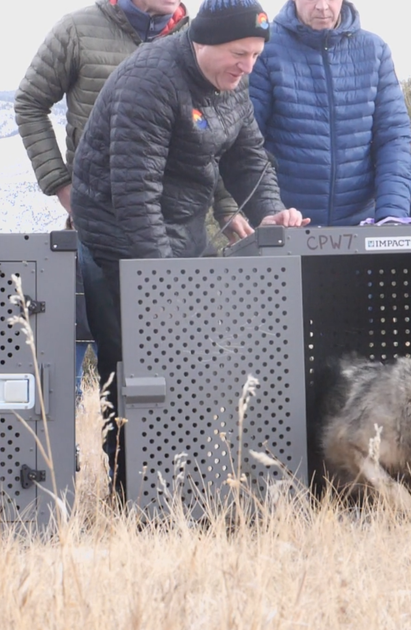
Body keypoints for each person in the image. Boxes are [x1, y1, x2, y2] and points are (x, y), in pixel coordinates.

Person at [70, 0, 309, 490]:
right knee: (134, 363)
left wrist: (271, 209)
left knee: (201, 358)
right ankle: (132, 488)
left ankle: (198, 483)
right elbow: (135, 194)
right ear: (203, 42)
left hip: (184, 226)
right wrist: (164, 288)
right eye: (239, 54)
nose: (248, 67)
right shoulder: (149, 82)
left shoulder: (231, 83)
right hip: (117, 236)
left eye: (256, 55)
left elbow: (249, 156)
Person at [15, 0, 247, 412]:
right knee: (120, 351)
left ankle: (183, 449)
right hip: (106, 221)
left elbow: (219, 134)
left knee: (190, 349)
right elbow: (30, 102)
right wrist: (62, 185)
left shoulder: (201, 38)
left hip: (180, 226)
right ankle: (122, 449)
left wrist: (227, 207)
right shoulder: (78, 29)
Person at [248, 0, 411, 226]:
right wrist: (271, 211)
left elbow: (393, 140)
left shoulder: (375, 50)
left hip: (361, 225)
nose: (323, 6)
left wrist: (392, 215)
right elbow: (248, 143)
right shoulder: (265, 50)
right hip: (287, 224)